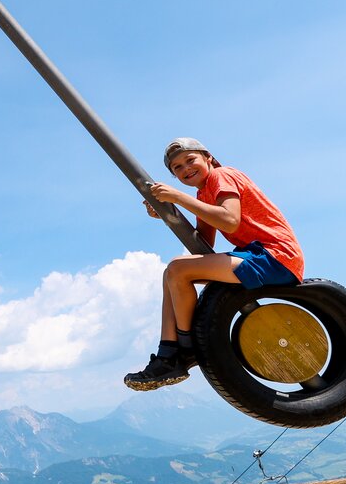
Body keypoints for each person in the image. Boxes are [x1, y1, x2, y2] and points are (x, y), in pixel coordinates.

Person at [125, 137, 304, 390]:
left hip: (275, 256)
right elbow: (202, 244)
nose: (186, 168)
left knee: (177, 268)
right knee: (172, 273)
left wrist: (178, 198)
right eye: (177, 167)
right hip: (257, 256)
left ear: (208, 157)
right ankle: (167, 354)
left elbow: (229, 220)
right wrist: (166, 213)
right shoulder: (203, 194)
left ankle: (187, 349)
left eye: (190, 160)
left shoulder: (222, 175)